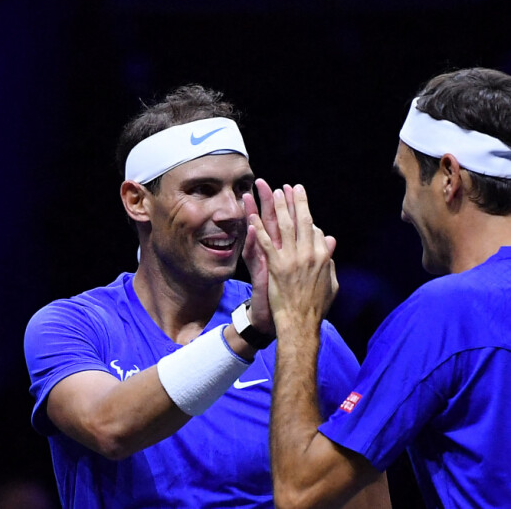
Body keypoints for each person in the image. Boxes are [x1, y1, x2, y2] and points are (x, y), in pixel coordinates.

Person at [24, 84, 390, 508]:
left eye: (241, 188)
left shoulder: (307, 336)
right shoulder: (73, 326)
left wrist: (280, 325)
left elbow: (367, 498)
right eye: (201, 190)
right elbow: (109, 427)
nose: (232, 211)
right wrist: (252, 328)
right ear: (137, 201)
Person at [250, 67, 511, 508]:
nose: (405, 211)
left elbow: (300, 492)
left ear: (449, 176)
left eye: (406, 181)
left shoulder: (446, 314)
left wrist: (295, 318)